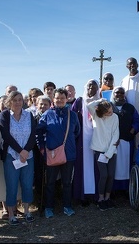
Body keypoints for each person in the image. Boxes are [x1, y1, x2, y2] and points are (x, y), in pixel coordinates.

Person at [36, 88, 81, 218]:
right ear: (53, 100)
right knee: (50, 183)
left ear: (66, 99)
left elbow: (76, 132)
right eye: (57, 98)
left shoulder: (72, 115)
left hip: (69, 155)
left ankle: (67, 206)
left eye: (62, 98)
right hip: (51, 154)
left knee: (67, 183)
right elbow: (39, 132)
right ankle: (49, 208)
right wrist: (42, 148)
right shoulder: (47, 114)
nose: (60, 100)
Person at [0, 91, 37, 225]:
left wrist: (26, 151)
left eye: (20, 100)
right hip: (11, 156)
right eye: (15, 100)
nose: (18, 102)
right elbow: (6, 136)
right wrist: (20, 151)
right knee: (11, 185)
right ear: (9, 102)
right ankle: (11, 214)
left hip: (28, 156)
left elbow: (33, 135)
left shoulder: (29, 115)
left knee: (27, 184)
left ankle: (26, 211)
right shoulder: (5, 115)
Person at [71, 79, 101, 205]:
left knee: (96, 167)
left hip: (97, 137)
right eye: (89, 86)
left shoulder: (101, 102)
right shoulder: (79, 101)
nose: (91, 89)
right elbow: (72, 117)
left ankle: (95, 195)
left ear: (97, 89)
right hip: (81, 139)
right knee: (81, 167)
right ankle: (82, 195)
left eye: (94, 87)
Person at [87, 98, 119, 211]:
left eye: (111, 110)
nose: (111, 113)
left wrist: (109, 153)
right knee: (104, 175)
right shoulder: (96, 116)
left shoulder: (115, 117)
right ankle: (100, 199)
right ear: (102, 112)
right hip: (99, 150)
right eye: (108, 111)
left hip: (111, 151)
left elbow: (116, 135)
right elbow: (89, 105)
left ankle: (107, 198)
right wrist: (101, 101)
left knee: (111, 175)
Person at [110, 87, 139, 191]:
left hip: (127, 141)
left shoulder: (130, 107)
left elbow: (137, 121)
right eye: (117, 93)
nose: (119, 95)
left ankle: (126, 189)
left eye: (122, 93)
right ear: (113, 94)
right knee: (113, 167)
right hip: (113, 143)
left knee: (126, 166)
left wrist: (132, 130)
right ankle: (113, 189)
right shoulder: (109, 107)